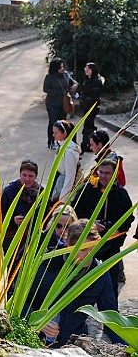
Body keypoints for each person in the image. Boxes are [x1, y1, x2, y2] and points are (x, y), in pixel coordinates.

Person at [38, 220, 125, 348]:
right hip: (40, 339)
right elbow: (23, 303)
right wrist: (38, 321)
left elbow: (111, 317)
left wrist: (130, 347)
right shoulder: (48, 264)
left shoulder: (99, 273)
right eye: (83, 250)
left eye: (92, 249)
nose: (88, 256)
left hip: (74, 342)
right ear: (69, 244)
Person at [71, 159, 134, 297]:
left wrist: (117, 230)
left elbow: (129, 218)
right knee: (81, 280)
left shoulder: (121, 194)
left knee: (111, 281)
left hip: (111, 245)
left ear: (115, 174)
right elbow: (74, 211)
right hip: (88, 244)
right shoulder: (87, 190)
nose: (104, 176)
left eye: (108, 173)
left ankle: (111, 310)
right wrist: (89, 224)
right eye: (102, 173)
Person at [0, 159, 43, 249]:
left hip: (34, 238)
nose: (27, 179)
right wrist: (13, 220)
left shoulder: (41, 192)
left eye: (30, 176)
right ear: (20, 175)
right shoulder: (9, 191)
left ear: (36, 177)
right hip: (12, 238)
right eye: (24, 175)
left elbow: (47, 213)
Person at [43, 58, 76, 149]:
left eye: (63, 66)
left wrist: (74, 85)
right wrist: (59, 92)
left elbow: (72, 82)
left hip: (63, 103)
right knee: (53, 122)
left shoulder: (65, 75)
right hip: (52, 103)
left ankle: (61, 141)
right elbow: (46, 89)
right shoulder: (49, 77)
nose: (63, 68)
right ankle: (51, 141)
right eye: (60, 67)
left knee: (63, 123)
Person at [51, 120, 81, 202]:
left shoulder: (69, 152)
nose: (53, 135)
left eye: (56, 133)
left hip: (65, 185)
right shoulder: (61, 146)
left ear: (64, 134)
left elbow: (70, 177)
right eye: (53, 132)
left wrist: (63, 199)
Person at [78, 63, 103, 152]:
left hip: (92, 107)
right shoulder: (88, 79)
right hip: (86, 106)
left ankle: (85, 145)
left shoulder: (96, 81)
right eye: (86, 68)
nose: (86, 70)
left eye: (88, 69)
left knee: (88, 126)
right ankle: (90, 144)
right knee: (90, 126)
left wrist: (85, 101)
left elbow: (94, 97)